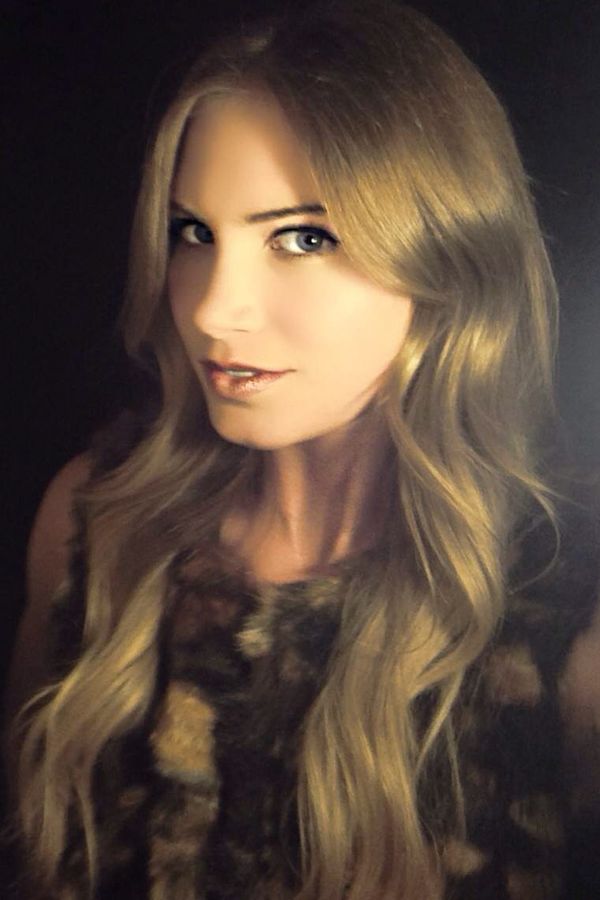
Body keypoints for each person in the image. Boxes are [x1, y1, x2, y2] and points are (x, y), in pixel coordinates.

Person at [5, 1, 600, 898]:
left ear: (446, 256)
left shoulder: (561, 614)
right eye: (194, 232)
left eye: (304, 237)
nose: (215, 309)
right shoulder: (98, 526)